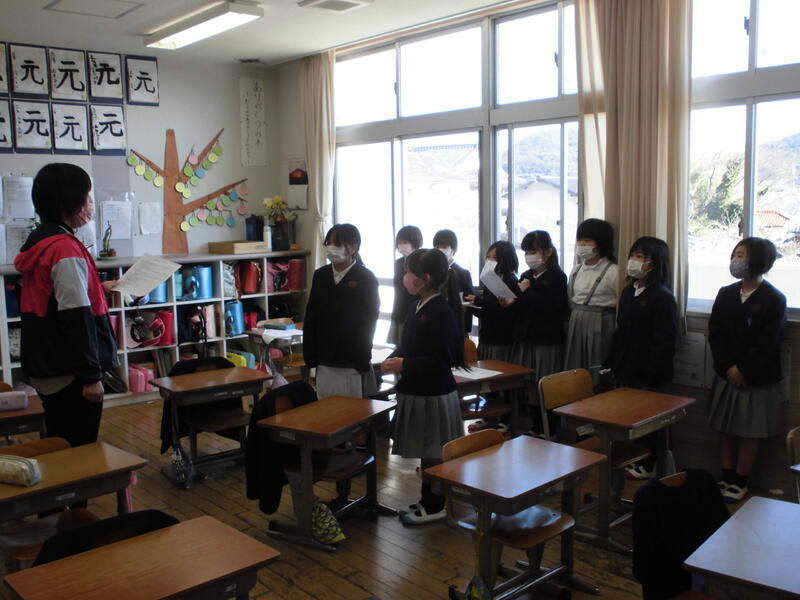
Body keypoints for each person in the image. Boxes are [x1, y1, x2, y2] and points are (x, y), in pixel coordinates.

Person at [15, 163, 118, 448]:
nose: (90, 205)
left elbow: (55, 299)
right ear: (70, 202)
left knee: (61, 441)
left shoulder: (42, 239)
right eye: (87, 197)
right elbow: (75, 317)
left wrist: (101, 289)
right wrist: (90, 377)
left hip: (49, 364)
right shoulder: (64, 248)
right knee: (77, 449)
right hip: (69, 372)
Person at [381, 248, 466, 525]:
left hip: (435, 393)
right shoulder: (417, 305)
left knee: (434, 453)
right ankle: (427, 499)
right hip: (418, 389)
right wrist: (394, 358)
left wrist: (404, 363)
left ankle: (436, 504)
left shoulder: (441, 311)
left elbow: (442, 360)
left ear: (425, 278)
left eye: (409, 273)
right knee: (426, 452)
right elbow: (408, 345)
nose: (404, 277)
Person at [706, 237, 786, 503]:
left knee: (750, 431)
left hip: (755, 379)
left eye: (741, 256)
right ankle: (726, 475)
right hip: (726, 374)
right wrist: (728, 366)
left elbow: (769, 343)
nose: (735, 261)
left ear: (758, 261)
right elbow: (715, 332)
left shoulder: (774, 298)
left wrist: (743, 369)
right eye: (735, 255)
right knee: (725, 427)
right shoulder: (726, 293)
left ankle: (740, 481)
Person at [604, 236, 678, 479]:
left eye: (641, 257)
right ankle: (634, 457)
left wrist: (652, 373)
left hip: (650, 373)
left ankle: (648, 462)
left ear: (654, 263)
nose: (634, 261)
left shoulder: (662, 296)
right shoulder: (628, 291)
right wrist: (611, 362)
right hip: (626, 367)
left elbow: (665, 341)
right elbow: (621, 330)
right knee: (628, 417)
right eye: (633, 255)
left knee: (649, 420)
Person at [303, 224, 380, 399]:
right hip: (325, 358)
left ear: (353, 248)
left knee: (352, 410)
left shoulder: (366, 277)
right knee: (326, 407)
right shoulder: (320, 275)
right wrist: (310, 354)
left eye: (337, 243)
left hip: (352, 359)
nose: (331, 247)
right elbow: (311, 315)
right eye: (328, 243)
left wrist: (363, 356)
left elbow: (369, 321)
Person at [564, 219, 618, 379]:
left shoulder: (614, 271)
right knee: (575, 367)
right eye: (579, 239)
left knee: (598, 366)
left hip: (601, 322)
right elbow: (571, 296)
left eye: (587, 240)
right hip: (576, 321)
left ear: (601, 242)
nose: (582, 244)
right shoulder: (576, 270)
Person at [467, 241, 520, 361]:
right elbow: (487, 311)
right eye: (488, 257)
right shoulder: (490, 280)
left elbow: (502, 311)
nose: (489, 260)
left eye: (493, 257)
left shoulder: (510, 280)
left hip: (501, 339)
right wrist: (471, 306)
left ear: (504, 259)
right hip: (486, 335)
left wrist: (478, 301)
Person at [433, 229, 474, 335]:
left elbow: (469, 302)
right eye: (437, 247)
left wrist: (464, 328)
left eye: (444, 246)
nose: (440, 250)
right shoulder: (432, 272)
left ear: (454, 249)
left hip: (456, 326)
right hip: (435, 324)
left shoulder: (463, 273)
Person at [388, 225, 423, 345]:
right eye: (399, 242)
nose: (401, 245)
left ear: (415, 242)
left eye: (405, 242)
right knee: (399, 346)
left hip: (418, 310)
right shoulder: (398, 263)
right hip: (400, 309)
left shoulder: (423, 260)